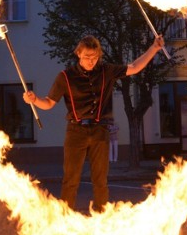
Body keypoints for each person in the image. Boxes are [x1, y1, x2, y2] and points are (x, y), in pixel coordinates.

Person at [23, 34, 165, 212]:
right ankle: (65, 219)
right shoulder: (65, 77)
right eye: (86, 57)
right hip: (75, 131)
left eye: (94, 57)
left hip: (100, 130)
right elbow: (49, 103)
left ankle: (101, 216)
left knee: (100, 180)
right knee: (71, 180)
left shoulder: (107, 71)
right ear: (78, 54)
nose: (91, 61)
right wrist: (34, 100)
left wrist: (154, 48)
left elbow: (135, 67)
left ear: (99, 55)